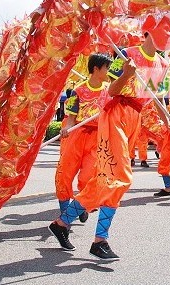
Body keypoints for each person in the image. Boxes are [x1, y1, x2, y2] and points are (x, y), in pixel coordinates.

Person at [49, 15, 170, 260]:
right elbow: (113, 91)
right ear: (149, 31)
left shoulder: (162, 63)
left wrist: (169, 120)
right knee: (121, 177)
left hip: (134, 118)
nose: (167, 34)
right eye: (163, 29)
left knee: (105, 179)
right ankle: (100, 240)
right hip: (115, 114)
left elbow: (154, 95)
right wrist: (127, 74)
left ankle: (63, 223)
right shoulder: (126, 54)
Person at [54, 53, 112, 223]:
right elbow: (71, 117)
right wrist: (67, 128)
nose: (109, 71)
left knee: (88, 177)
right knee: (64, 174)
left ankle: (81, 205)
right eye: (107, 68)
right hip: (77, 135)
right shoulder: (78, 90)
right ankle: (66, 214)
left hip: (97, 138)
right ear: (96, 69)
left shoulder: (109, 91)